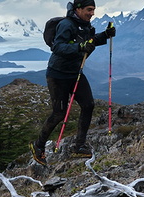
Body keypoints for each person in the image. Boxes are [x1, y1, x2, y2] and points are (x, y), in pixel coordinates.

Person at [30, 0, 116, 166]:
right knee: (59, 113)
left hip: (75, 73)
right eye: (89, 10)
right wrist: (80, 47)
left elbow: (89, 42)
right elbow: (58, 47)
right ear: (78, 9)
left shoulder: (85, 26)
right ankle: (38, 146)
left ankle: (79, 145)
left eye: (93, 10)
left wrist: (105, 35)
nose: (92, 13)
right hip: (58, 75)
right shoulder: (66, 25)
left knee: (88, 104)